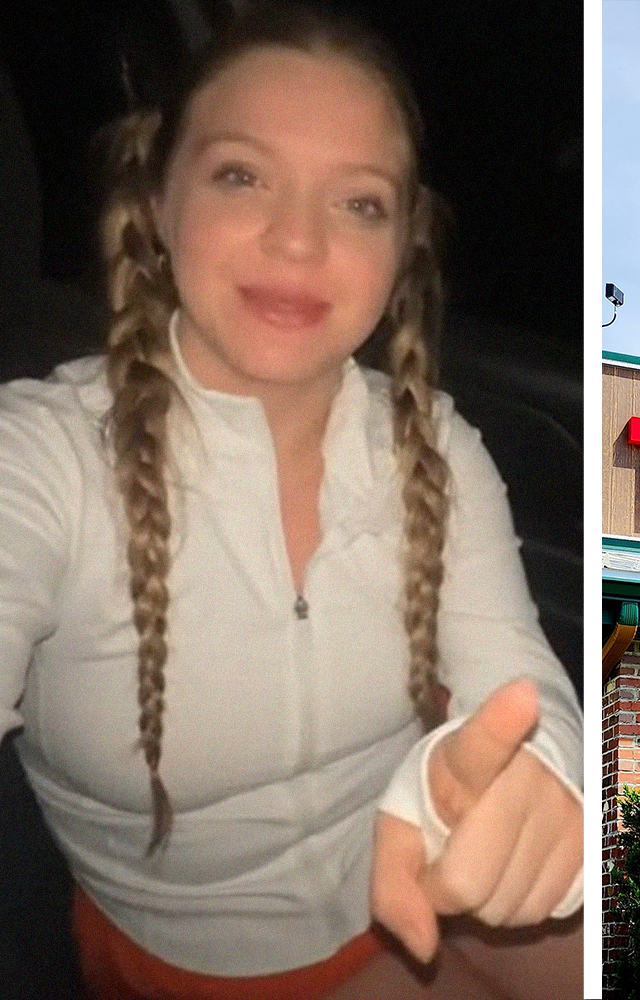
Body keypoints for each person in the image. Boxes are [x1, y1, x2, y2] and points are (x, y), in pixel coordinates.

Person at [0, 4, 584, 997]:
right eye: (242, 176)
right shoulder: (42, 457)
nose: (299, 241)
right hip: (216, 967)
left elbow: (519, 682)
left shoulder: (435, 446)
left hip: (431, 873)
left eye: (358, 202)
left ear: (401, 249)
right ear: (159, 198)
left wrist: (543, 779)